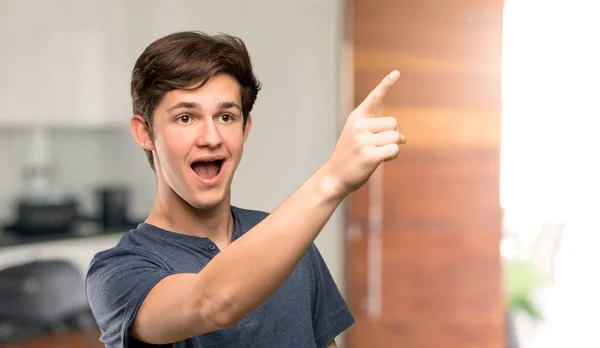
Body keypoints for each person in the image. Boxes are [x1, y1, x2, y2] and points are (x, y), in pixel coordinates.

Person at [85, 31, 405, 348]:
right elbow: (212, 303)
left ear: (245, 127)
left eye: (226, 116)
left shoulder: (289, 242)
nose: (211, 137)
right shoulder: (117, 273)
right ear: (144, 132)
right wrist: (333, 179)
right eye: (185, 118)